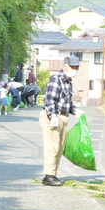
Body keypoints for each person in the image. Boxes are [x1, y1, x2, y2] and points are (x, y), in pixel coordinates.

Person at [38, 55, 84, 186]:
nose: (75, 69)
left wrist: (76, 111)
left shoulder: (68, 82)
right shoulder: (56, 79)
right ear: (65, 66)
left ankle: (53, 174)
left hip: (63, 116)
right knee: (52, 146)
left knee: (60, 147)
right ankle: (49, 176)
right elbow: (49, 100)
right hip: (52, 116)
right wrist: (52, 116)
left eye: (77, 67)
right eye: (73, 67)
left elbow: (67, 103)